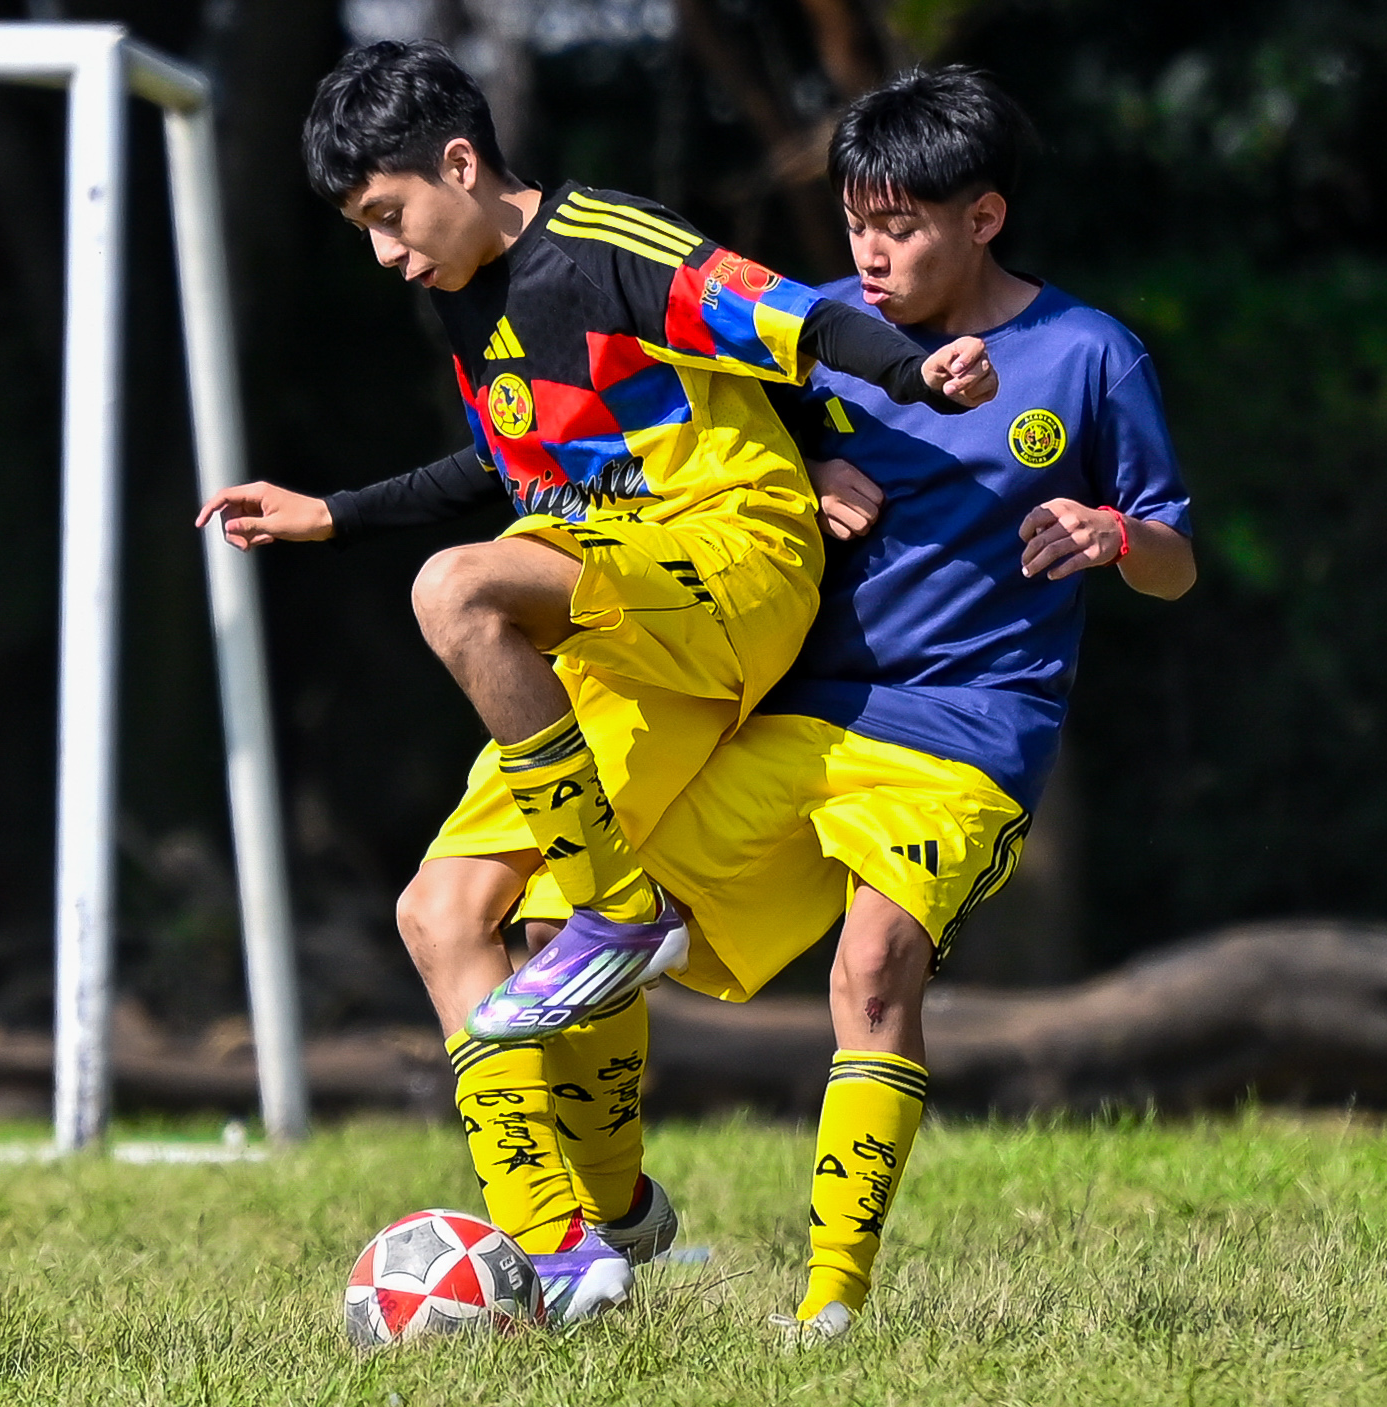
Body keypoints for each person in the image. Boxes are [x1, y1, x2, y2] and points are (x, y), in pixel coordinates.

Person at [195, 41, 997, 1324]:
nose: (387, 255)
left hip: (732, 560)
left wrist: (912, 373)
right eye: (363, 232)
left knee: (456, 593)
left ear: (460, 163)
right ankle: (587, 1249)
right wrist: (330, 515)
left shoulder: (608, 245)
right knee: (443, 918)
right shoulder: (465, 298)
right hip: (613, 619)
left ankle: (617, 916)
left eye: (389, 217)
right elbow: (507, 469)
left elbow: (794, 319)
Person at [517, 63, 1196, 1337]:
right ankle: (613, 1227)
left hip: (970, 729)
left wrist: (1110, 533)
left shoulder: (1090, 355)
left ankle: (828, 1312)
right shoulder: (811, 328)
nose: (868, 255)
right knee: (596, 933)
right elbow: (700, 454)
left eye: (901, 227)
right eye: (854, 224)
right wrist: (807, 461)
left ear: (982, 218)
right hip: (797, 715)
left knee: (872, 968)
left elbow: (1173, 559)